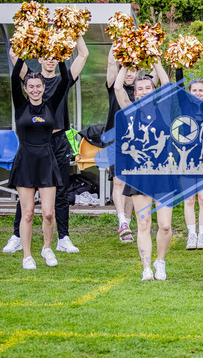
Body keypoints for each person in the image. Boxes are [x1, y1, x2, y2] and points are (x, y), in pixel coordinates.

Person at [3, 38, 89, 254]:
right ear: (39, 59)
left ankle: (63, 237)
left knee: (61, 191)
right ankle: (17, 236)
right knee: (26, 192)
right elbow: (14, 56)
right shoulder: (32, 79)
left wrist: (75, 31)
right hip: (33, 143)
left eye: (54, 56)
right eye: (47, 56)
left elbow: (83, 55)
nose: (51, 60)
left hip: (58, 141)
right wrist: (28, 33)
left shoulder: (63, 80)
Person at [9, 58, 69, 269]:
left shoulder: (51, 105)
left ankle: (47, 248)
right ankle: (27, 255)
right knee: (27, 213)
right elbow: (14, 77)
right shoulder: (20, 105)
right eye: (31, 86)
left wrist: (61, 58)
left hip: (46, 161)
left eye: (38, 86)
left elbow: (65, 80)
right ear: (25, 89)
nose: (35, 90)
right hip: (25, 161)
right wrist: (22, 54)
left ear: (44, 87)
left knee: (48, 213)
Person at [114, 62, 172, 281]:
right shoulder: (130, 111)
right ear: (136, 93)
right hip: (139, 174)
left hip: (163, 173)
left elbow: (166, 83)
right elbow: (118, 88)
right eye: (140, 89)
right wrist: (126, 61)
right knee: (143, 223)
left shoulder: (163, 109)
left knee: (165, 225)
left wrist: (156, 59)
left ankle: (160, 261)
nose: (145, 91)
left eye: (148, 88)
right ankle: (147, 267)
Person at [105, 44, 136, 243]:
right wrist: (118, 41)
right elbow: (110, 63)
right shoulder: (114, 86)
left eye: (133, 69)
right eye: (126, 69)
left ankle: (128, 225)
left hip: (136, 142)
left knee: (131, 184)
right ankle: (122, 220)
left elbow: (157, 76)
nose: (129, 73)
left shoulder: (142, 89)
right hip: (115, 139)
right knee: (119, 181)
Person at [180, 76, 203, 250]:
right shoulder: (184, 105)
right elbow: (179, 81)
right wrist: (178, 64)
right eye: (194, 90)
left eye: (201, 90)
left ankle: (202, 236)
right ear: (189, 92)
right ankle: (191, 235)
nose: (198, 93)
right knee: (189, 199)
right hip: (187, 157)